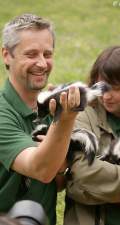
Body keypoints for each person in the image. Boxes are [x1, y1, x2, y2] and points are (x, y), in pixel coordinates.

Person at [0, 13, 81, 225]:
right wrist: (65, 120)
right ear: (6, 55)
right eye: (31, 54)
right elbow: (41, 170)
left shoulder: (49, 107)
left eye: (48, 54)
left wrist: (63, 165)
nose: (42, 63)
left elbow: (58, 181)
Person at [64, 46, 120, 225]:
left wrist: (106, 183)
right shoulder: (81, 116)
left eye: (116, 88)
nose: (106, 96)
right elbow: (82, 176)